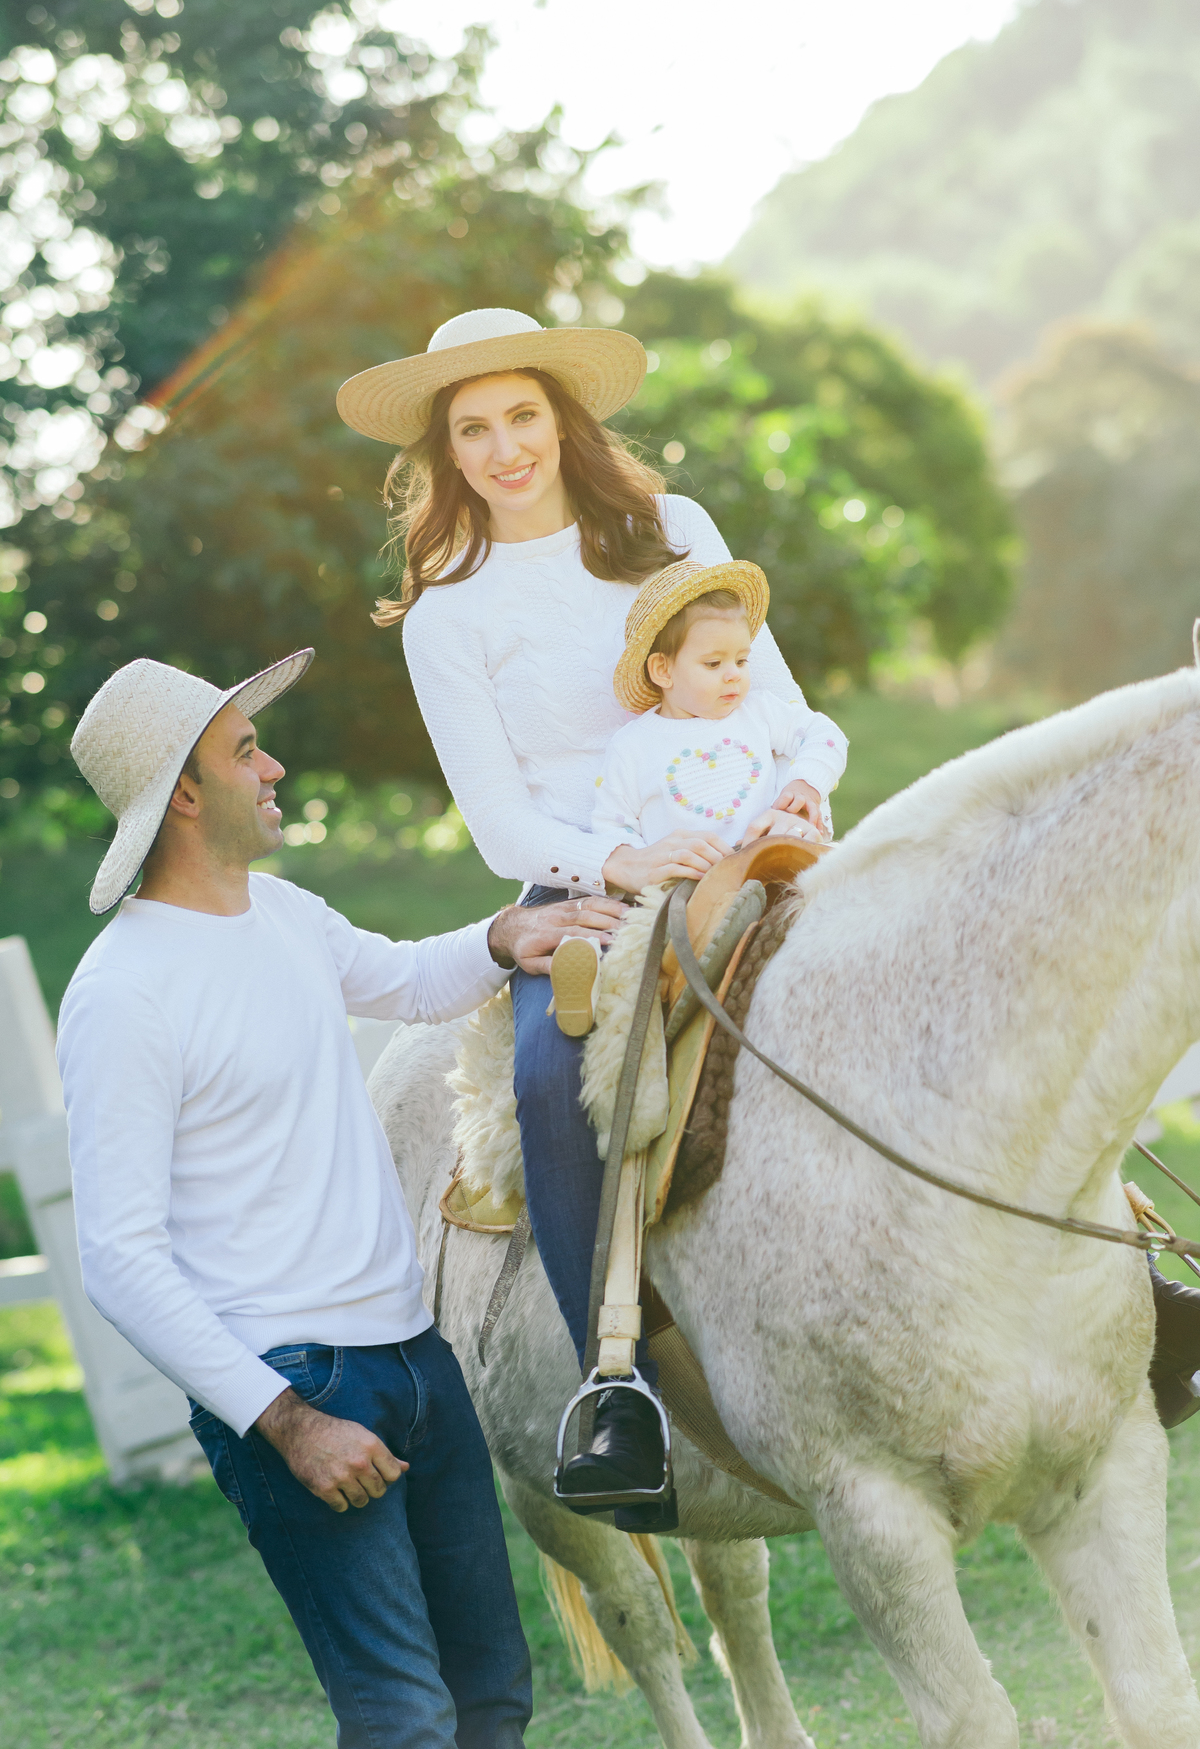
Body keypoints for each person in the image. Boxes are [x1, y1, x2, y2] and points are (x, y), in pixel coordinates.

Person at [56, 649, 621, 1749]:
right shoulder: (121, 994)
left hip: (415, 1360)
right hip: (294, 1386)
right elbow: (118, 1256)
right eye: (245, 749)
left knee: (493, 1693)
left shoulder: (281, 912)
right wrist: (288, 1423)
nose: (273, 766)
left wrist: (508, 936)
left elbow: (405, 980)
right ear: (183, 791)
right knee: (402, 1716)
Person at [336, 308, 844, 1528]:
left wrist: (802, 789)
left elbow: (785, 708)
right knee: (553, 1069)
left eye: (523, 415)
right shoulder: (452, 611)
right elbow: (501, 826)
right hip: (586, 889)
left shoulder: (676, 534)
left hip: (757, 844)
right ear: (446, 454)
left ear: (563, 419)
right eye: (475, 429)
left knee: (924, 957)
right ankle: (615, 1390)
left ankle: (1124, 1258)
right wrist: (618, 859)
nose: (506, 447)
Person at [546, 557, 848, 1037]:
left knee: (839, 889)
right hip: (686, 885)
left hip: (766, 867)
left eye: (742, 660)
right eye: (713, 664)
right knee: (644, 942)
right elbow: (614, 825)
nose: (734, 675)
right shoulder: (635, 746)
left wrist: (805, 782)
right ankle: (592, 985)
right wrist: (644, 861)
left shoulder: (759, 713)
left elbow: (824, 734)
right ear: (663, 670)